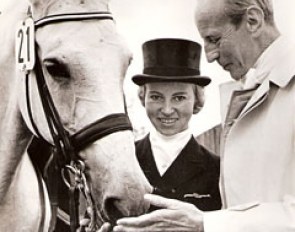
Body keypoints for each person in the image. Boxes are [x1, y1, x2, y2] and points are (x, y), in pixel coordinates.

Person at [109, 0, 295, 231]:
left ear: (253, 21)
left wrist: (207, 223)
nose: (209, 56)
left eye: (214, 39)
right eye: (156, 97)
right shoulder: (254, 88)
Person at [132, 38, 221, 211]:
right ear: (143, 98)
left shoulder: (216, 170)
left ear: (197, 100)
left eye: (179, 98)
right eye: (156, 97)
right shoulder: (125, 159)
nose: (166, 110)